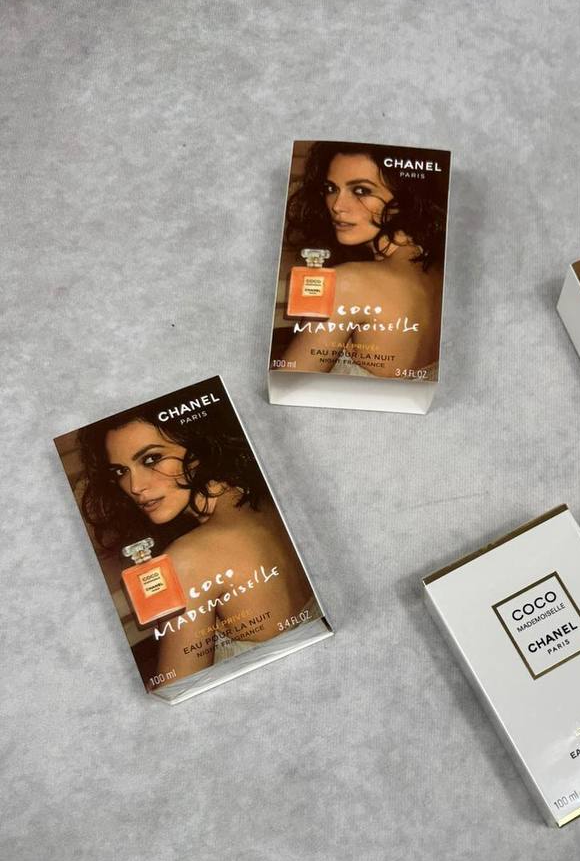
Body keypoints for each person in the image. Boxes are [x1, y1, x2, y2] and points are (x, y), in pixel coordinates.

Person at [77, 402, 317, 679]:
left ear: (199, 444)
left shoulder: (188, 558)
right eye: (120, 471)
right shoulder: (265, 503)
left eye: (151, 459)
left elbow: (178, 689)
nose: (135, 486)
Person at [278, 141, 446, 378]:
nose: (337, 206)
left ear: (406, 196)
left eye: (361, 191)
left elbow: (287, 387)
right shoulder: (439, 273)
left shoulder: (348, 283)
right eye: (330, 188)